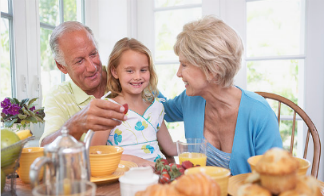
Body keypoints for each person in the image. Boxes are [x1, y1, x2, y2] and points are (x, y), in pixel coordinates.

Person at [160, 16, 283, 175]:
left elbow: (275, 176)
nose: (178, 73)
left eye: (184, 65)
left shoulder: (259, 113)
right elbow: (158, 108)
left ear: (212, 69)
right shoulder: (189, 100)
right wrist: (141, 79)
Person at [40, 21, 154, 166]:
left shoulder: (127, 77)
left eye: (93, 54)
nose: (92, 67)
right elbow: (44, 151)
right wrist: (75, 124)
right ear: (61, 66)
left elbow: (156, 115)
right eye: (80, 61)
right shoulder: (58, 96)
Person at [91, 38, 177, 165]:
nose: (137, 77)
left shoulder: (156, 107)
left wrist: (202, 147)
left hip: (157, 175)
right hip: (124, 178)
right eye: (130, 71)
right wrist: (136, 161)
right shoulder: (108, 109)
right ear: (115, 72)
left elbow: (170, 148)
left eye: (143, 70)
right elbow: (95, 153)